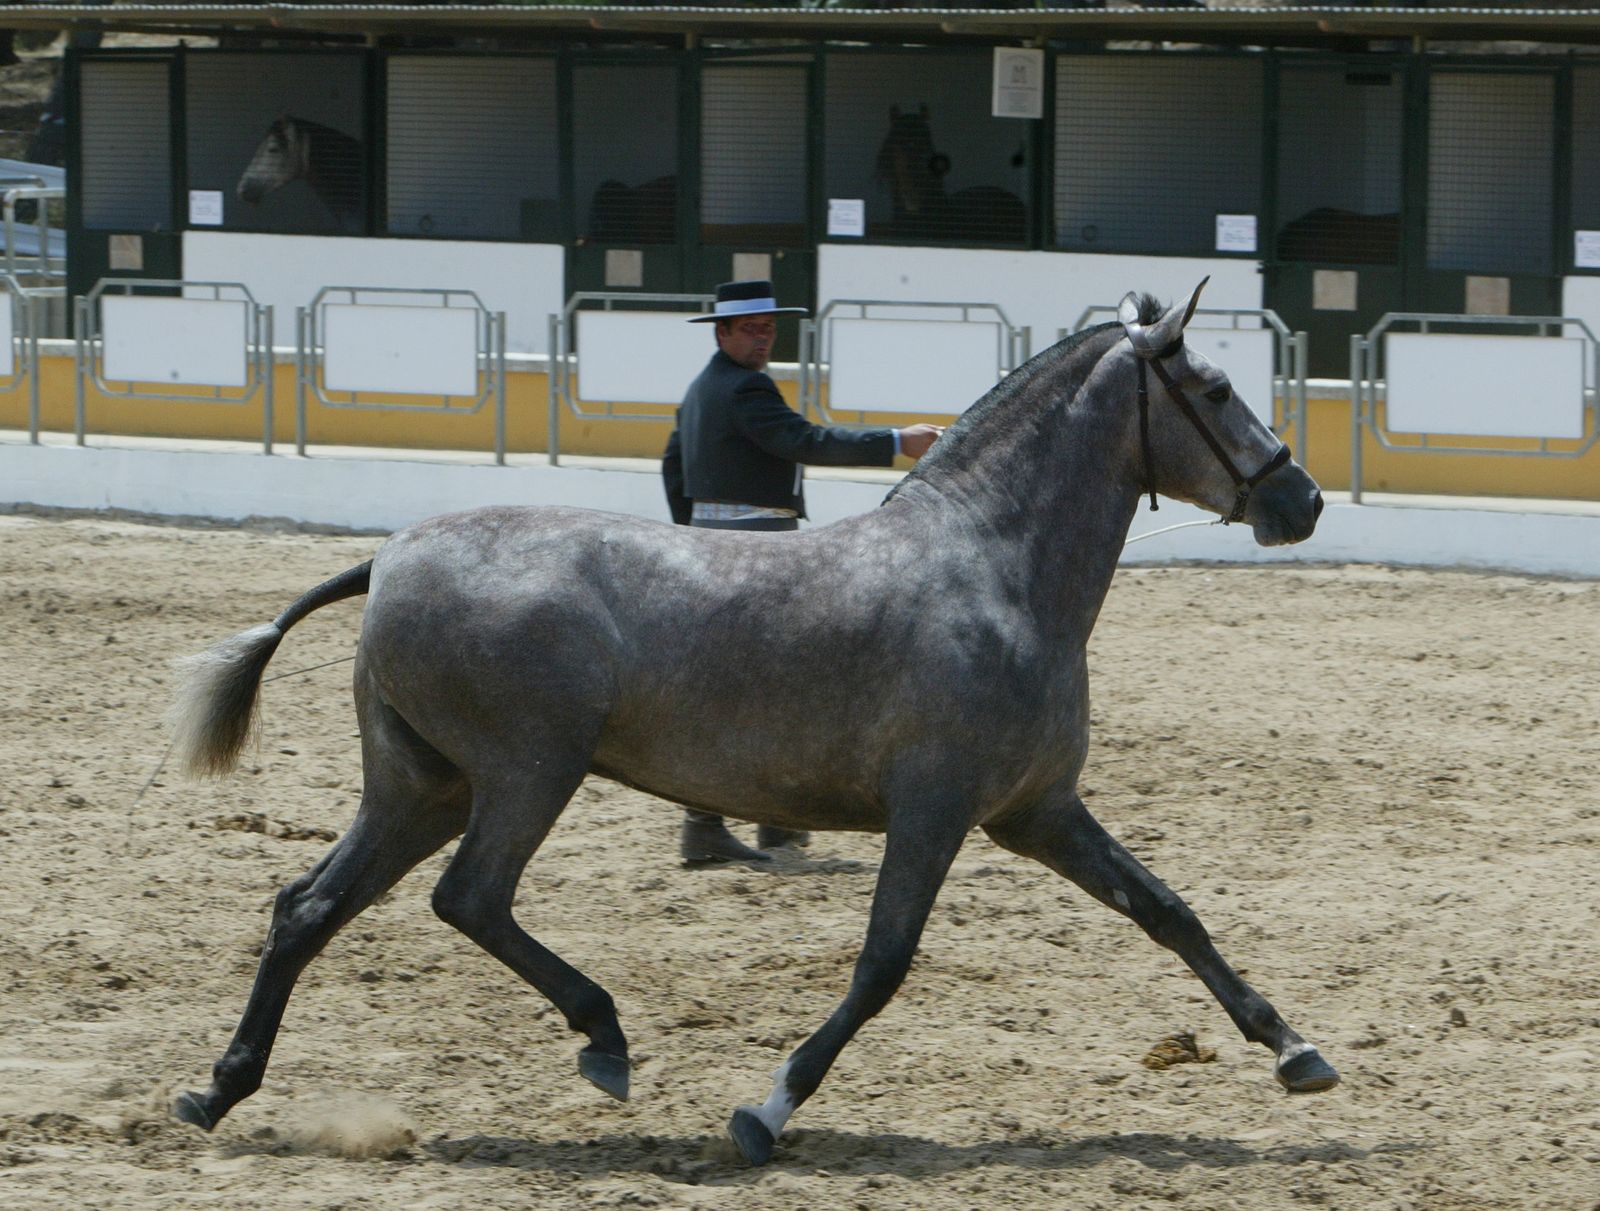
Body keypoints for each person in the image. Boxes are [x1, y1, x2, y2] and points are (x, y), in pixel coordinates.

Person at [662, 279, 941, 865]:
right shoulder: (747, 387)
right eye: (751, 330)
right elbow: (803, 440)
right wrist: (896, 440)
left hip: (712, 541)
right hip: (758, 544)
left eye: (769, 329)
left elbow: (671, 466)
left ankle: (741, 825)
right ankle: (759, 826)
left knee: (743, 689)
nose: (763, 339)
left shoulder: (700, 388)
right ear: (723, 332)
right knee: (776, 687)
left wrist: (691, 534)